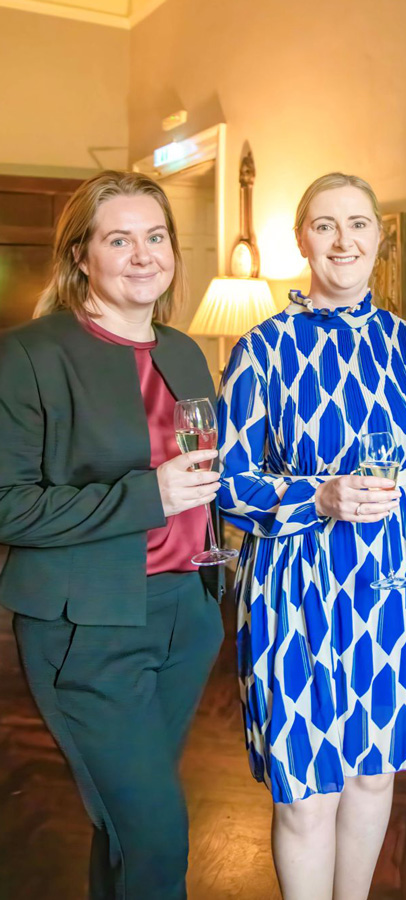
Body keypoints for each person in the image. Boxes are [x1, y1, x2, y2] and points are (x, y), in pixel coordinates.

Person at [217, 172, 406, 899]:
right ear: (302, 239)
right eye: (324, 225)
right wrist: (314, 496)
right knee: (304, 789)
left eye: (358, 224)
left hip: (395, 580)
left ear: (379, 237)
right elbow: (226, 483)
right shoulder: (262, 348)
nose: (342, 241)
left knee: (375, 771)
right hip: (295, 586)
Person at [0, 171, 225, 899]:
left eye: (155, 236)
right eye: (119, 239)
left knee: (128, 827)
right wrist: (147, 496)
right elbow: (7, 507)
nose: (143, 255)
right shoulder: (29, 355)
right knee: (157, 834)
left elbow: (206, 472)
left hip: (187, 616)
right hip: (87, 626)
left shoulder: (184, 351)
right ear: (81, 255)